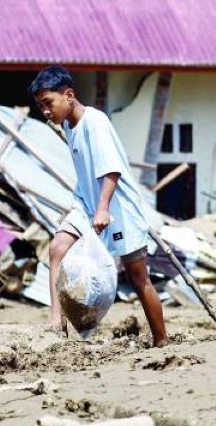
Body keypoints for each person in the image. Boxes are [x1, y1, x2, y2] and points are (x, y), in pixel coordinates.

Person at [28, 66, 168, 347]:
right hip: (86, 204)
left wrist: (103, 208)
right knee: (56, 249)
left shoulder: (96, 123)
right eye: (40, 106)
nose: (45, 111)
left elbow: (111, 170)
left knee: (138, 277)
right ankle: (57, 326)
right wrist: (93, 206)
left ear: (69, 96)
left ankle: (161, 339)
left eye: (48, 104)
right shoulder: (68, 125)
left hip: (118, 208)